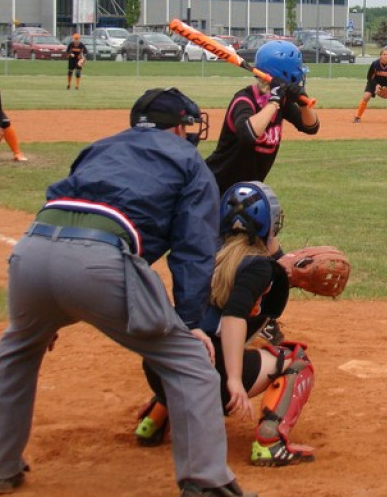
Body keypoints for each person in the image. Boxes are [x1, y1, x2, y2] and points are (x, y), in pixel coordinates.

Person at [0, 87, 257, 497]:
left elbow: (62, 203)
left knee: (17, 349)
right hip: (96, 261)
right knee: (192, 362)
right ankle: (207, 483)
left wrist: (45, 314)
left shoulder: (99, 147)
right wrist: (192, 324)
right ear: (177, 126)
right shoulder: (187, 160)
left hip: (31, 252)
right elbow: (194, 251)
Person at [135, 181, 316, 468]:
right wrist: (233, 379)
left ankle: (153, 420)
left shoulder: (204, 253)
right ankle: (270, 443)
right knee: (296, 361)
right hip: (210, 379)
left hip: (161, 367)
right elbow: (234, 316)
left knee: (195, 346)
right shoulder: (258, 267)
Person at [205, 40, 320, 195]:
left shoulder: (282, 103)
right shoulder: (244, 100)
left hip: (245, 191)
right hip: (214, 187)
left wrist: (303, 103)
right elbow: (247, 134)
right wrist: (274, 102)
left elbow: (311, 127)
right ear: (285, 74)